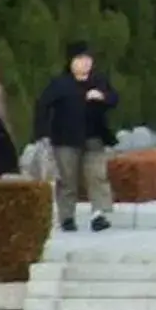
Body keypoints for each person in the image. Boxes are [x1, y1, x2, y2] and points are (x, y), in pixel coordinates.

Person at [32, 40, 121, 231]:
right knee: (67, 180)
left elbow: (114, 98)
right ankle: (67, 217)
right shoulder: (60, 84)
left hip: (94, 137)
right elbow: (42, 106)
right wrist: (42, 133)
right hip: (66, 139)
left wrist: (102, 97)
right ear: (71, 62)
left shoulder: (99, 80)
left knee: (97, 175)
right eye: (80, 59)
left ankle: (99, 214)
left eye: (88, 59)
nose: (86, 63)